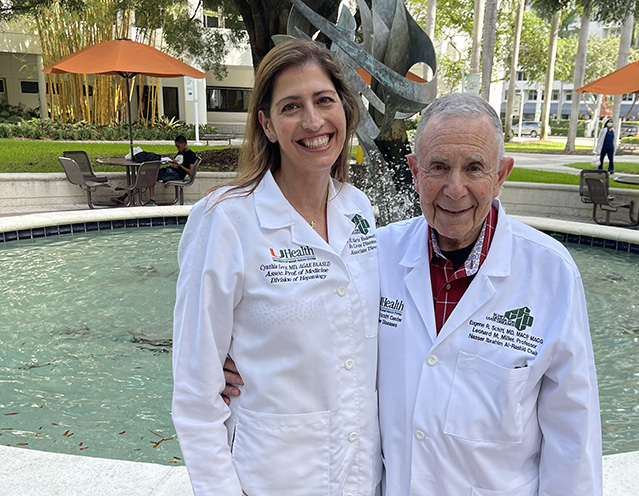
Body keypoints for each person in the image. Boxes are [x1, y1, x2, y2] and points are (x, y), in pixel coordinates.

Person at [224, 93, 603, 495]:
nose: (454, 190)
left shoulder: (550, 273)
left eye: (474, 168)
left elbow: (573, 435)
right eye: (438, 167)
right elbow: (309, 324)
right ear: (415, 171)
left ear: (501, 175)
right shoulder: (374, 254)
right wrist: (238, 360)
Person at [172, 39, 381, 496]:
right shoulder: (225, 219)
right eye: (291, 107)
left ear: (344, 109)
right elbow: (195, 388)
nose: (313, 121)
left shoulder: (358, 209)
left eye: (324, 100)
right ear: (266, 124)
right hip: (269, 478)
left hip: (359, 474)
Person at [112, 135, 196, 205]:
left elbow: (191, 172)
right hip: (170, 170)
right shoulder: (181, 152)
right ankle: (125, 197)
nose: (177, 149)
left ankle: (149, 199)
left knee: (150, 175)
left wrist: (179, 165)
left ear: (184, 144)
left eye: (178, 146)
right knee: (146, 175)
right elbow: (177, 162)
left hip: (176, 174)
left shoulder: (190, 155)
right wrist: (172, 163)